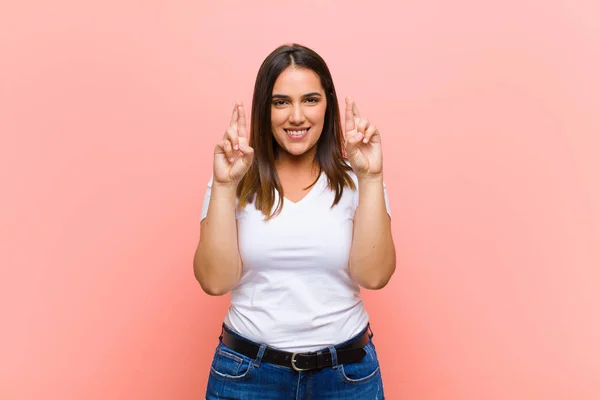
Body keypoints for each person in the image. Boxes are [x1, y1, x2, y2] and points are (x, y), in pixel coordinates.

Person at [193, 43, 396, 399]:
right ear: (264, 109)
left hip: (346, 377)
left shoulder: (357, 177)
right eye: (281, 102)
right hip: (247, 376)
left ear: (328, 104)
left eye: (311, 100)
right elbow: (214, 281)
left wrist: (372, 179)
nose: (297, 116)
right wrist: (224, 186)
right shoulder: (233, 177)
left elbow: (375, 276)